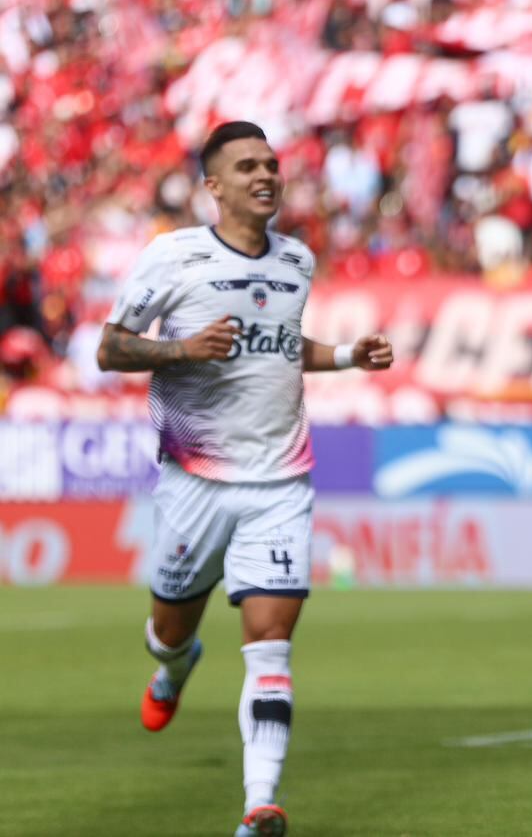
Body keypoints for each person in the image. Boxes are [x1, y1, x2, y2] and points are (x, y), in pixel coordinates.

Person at [97, 121, 394, 836]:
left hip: (280, 481)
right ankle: (173, 666)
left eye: (271, 164)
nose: (265, 175)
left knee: (271, 644)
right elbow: (110, 349)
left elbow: (284, 347)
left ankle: (259, 805)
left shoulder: (296, 260)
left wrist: (351, 353)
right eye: (247, 166)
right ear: (213, 186)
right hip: (193, 481)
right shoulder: (174, 256)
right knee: (169, 629)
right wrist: (179, 348)